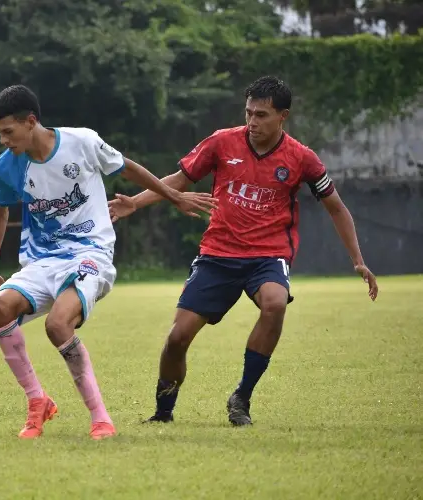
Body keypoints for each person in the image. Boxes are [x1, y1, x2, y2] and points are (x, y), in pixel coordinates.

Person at [108, 76, 379, 426]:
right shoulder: (222, 142)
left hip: (268, 255)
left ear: (283, 115)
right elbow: (179, 179)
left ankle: (242, 398)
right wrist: (136, 203)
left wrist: (358, 261)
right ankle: (163, 412)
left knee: (275, 303)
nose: (252, 122)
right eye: (249, 113)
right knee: (177, 337)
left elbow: (337, 208)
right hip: (218, 255)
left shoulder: (302, 159)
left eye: (262, 115)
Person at [0, 84, 218, 440]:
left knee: (58, 325)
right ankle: (38, 401)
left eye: (8, 131)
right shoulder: (7, 166)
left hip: (90, 252)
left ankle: (100, 417)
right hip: (43, 260)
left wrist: (174, 196)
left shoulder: (82, 142)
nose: (3, 140)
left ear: (30, 121)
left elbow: (128, 169)